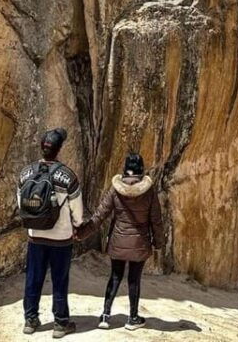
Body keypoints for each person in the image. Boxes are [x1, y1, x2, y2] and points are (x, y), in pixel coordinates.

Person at [77, 153, 164, 331]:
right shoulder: (149, 191)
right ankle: (133, 318)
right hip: (140, 243)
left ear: (125, 168)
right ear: (141, 169)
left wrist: (81, 233)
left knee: (115, 276)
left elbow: (100, 215)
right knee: (134, 279)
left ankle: (105, 316)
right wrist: (159, 243)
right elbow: (156, 220)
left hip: (118, 241)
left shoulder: (116, 189)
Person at [17, 128, 83, 338]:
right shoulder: (68, 176)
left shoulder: (26, 172)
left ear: (42, 148)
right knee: (59, 280)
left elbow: (20, 203)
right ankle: (60, 323)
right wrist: (77, 225)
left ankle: (30, 320)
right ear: (59, 149)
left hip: (35, 235)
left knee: (33, 278)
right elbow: (77, 211)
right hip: (61, 238)